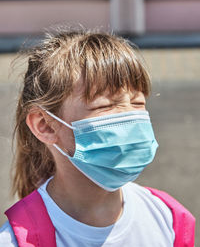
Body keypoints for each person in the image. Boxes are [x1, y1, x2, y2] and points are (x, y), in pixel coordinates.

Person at [0, 29, 195, 246]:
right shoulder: (20, 240)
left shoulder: (168, 217)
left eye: (138, 102)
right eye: (106, 105)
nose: (128, 115)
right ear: (45, 125)